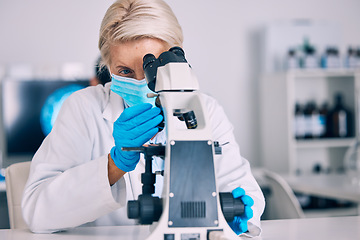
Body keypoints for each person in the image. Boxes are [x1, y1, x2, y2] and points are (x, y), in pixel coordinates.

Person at [22, 0, 265, 237]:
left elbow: (242, 192)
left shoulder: (205, 110)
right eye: (125, 71)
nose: (141, 83)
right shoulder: (84, 108)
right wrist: (113, 165)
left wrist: (233, 217)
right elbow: (36, 211)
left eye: (153, 68)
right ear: (108, 67)